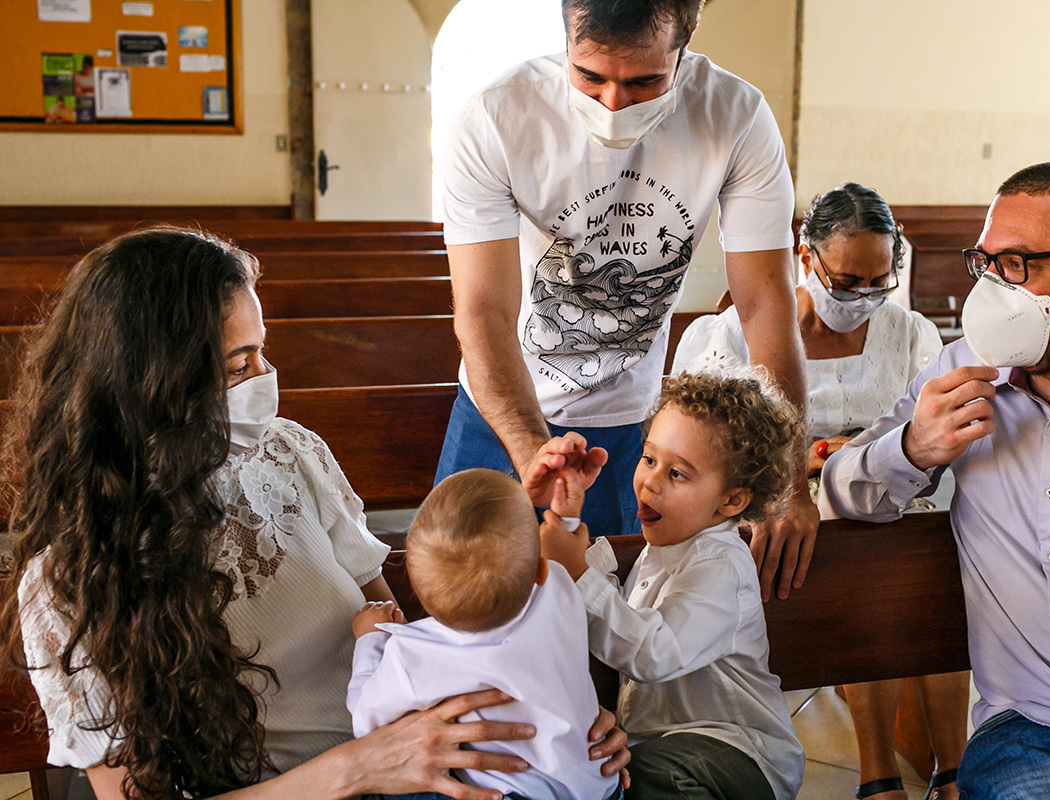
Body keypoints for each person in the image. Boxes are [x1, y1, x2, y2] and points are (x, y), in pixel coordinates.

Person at [1, 227, 628, 800]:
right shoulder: (67, 585)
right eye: (238, 366)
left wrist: (542, 723)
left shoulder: (288, 454)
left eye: (262, 353)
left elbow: (400, 635)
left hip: (418, 769)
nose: (265, 378)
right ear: (153, 385)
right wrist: (360, 767)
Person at [820, 162, 1050, 800]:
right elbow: (840, 492)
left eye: (1016, 265)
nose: (992, 289)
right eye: (985, 263)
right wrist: (912, 448)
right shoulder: (964, 374)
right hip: (1032, 728)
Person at [438, 0, 817, 598]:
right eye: (589, 77)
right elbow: (484, 313)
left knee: (612, 617)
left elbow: (765, 302)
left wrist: (789, 483)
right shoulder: (496, 118)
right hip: (500, 408)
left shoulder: (735, 116)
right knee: (468, 608)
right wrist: (533, 451)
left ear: (685, 43)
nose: (613, 104)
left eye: (644, 82)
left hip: (633, 428)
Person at [672, 183, 966, 800]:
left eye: (879, 282)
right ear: (806, 257)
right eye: (847, 282)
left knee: (936, 556)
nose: (864, 299)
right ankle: (878, 769)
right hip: (777, 504)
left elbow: (929, 432)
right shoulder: (734, 335)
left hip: (887, 495)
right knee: (870, 555)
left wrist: (872, 451)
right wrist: (804, 460)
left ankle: (954, 768)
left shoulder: (908, 334)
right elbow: (702, 447)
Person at [541, 370, 805, 800]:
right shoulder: (663, 546)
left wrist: (578, 573)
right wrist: (568, 521)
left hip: (737, 751)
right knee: (606, 775)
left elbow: (652, 653)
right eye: (649, 459)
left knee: (639, 780)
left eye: (677, 473)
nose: (650, 481)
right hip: (664, 748)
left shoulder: (721, 566)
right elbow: (615, 619)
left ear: (732, 500)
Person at [347, 468, 622, 800]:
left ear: (418, 592)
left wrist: (369, 640)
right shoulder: (560, 588)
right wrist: (566, 518)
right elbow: (559, 556)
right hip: (601, 784)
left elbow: (365, 721)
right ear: (540, 569)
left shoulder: (409, 654)